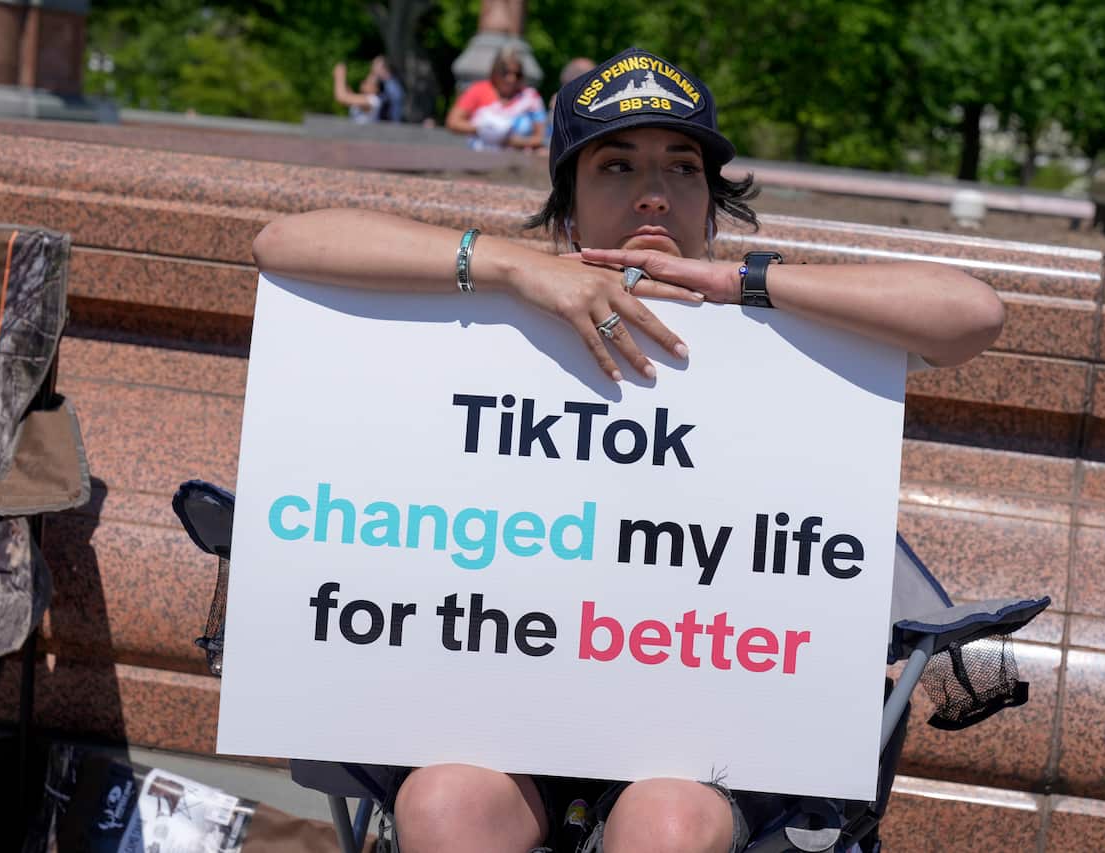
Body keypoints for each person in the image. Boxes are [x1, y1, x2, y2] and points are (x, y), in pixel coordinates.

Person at [252, 47, 1004, 853]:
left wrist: (743, 287)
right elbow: (283, 243)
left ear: (712, 204)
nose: (654, 191)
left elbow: (973, 314)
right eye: (616, 166)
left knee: (668, 823)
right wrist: (513, 267)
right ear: (568, 206)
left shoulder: (778, 330)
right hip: (504, 695)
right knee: (443, 805)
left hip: (716, 724)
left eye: (683, 168)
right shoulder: (503, 319)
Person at [446, 45, 546, 150]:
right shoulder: (478, 90)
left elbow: (541, 137)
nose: (511, 79)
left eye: (517, 74)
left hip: (519, 159)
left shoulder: (530, 97)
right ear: (495, 72)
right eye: (505, 72)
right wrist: (483, 130)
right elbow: (453, 122)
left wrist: (516, 141)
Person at [333, 56, 401, 124]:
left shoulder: (373, 100)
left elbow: (341, 97)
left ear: (376, 89)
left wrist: (339, 75)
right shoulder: (370, 99)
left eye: (368, 82)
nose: (363, 82)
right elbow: (348, 96)